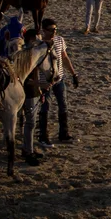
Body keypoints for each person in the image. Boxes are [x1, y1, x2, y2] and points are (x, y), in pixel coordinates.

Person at [38, 18, 79, 148]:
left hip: (59, 79)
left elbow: (64, 57)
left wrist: (73, 74)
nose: (54, 32)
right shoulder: (38, 44)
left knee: (63, 105)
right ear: (44, 30)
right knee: (45, 108)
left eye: (55, 29)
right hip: (44, 82)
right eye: (51, 30)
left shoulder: (59, 40)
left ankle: (64, 134)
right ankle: (43, 137)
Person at [20, 30, 48, 166]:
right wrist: (40, 85)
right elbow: (26, 79)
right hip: (28, 92)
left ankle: (28, 149)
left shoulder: (33, 55)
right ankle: (28, 151)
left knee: (31, 123)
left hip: (34, 92)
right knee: (30, 123)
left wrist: (40, 91)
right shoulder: (26, 55)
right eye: (37, 38)